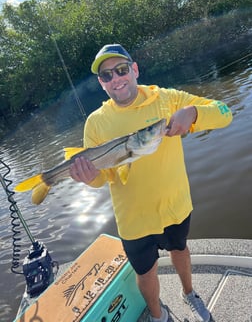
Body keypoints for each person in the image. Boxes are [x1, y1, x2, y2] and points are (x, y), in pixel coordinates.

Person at [70, 44, 233, 322]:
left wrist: (193, 113)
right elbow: (103, 177)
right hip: (133, 219)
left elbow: (224, 111)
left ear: (134, 70)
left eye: (121, 70)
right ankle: (159, 316)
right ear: (101, 83)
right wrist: (89, 177)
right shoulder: (95, 123)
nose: (116, 79)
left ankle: (190, 293)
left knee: (180, 250)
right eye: (107, 75)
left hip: (174, 205)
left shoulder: (167, 99)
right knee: (145, 274)